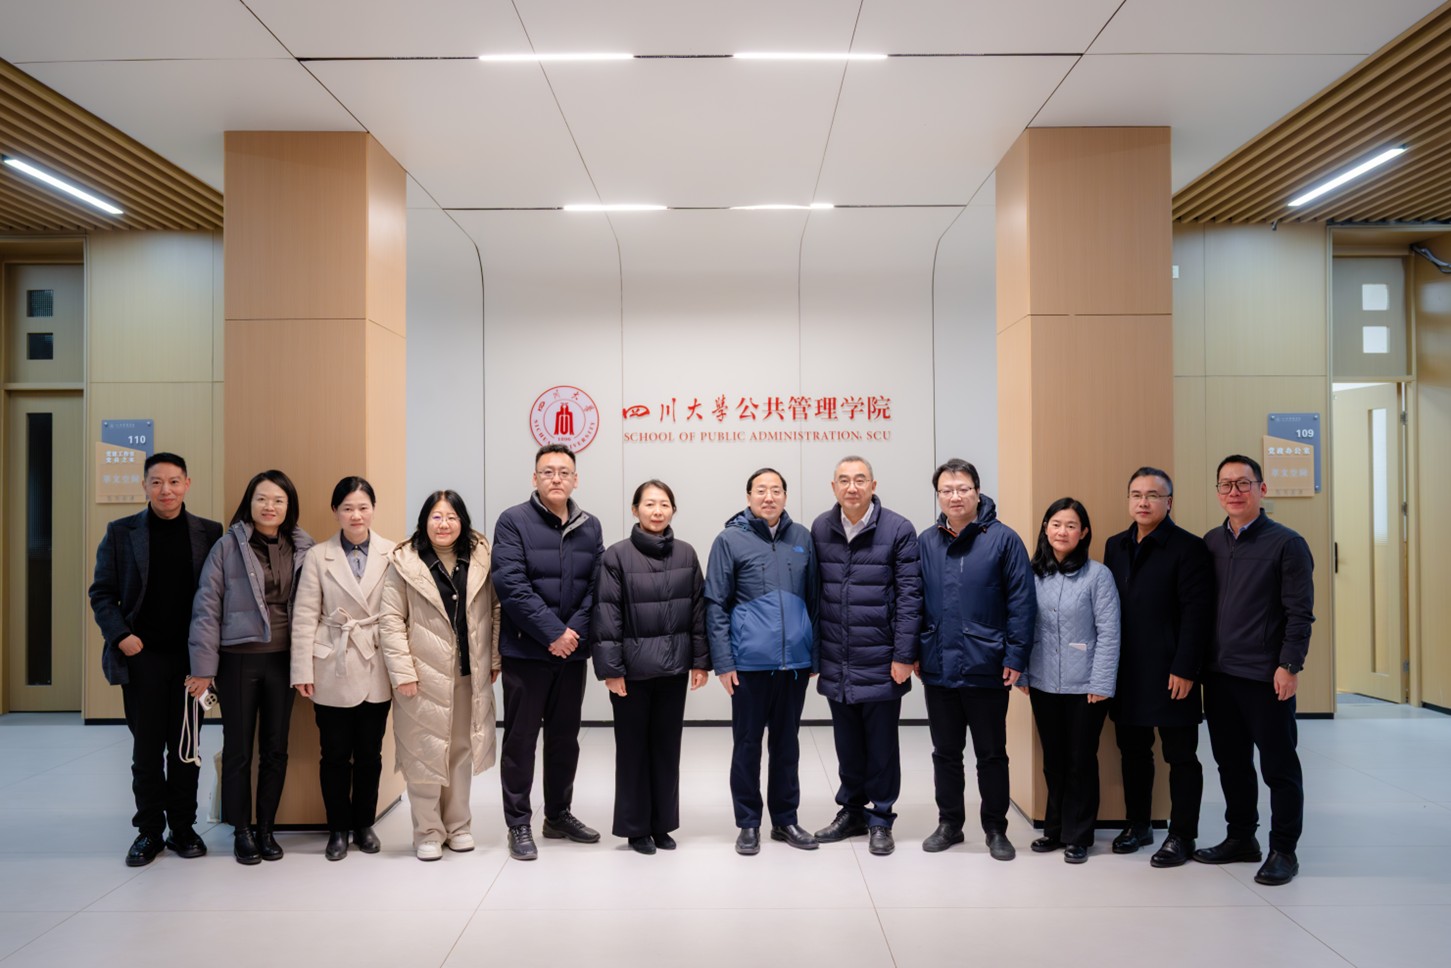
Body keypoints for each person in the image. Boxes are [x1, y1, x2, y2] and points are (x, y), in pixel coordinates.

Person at [88, 452, 223, 867]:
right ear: (144, 485)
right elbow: (101, 593)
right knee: (146, 751)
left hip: (190, 663)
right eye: (157, 482)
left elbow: (218, 597)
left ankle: (182, 827)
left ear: (187, 484)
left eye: (174, 481)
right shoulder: (121, 532)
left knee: (185, 749)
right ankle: (148, 831)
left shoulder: (209, 533)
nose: (166, 490)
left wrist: (209, 661)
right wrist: (121, 636)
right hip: (142, 659)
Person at [1194, 455, 1314, 886]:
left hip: (1265, 676)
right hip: (1219, 675)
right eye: (1225, 485)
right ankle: (1241, 838)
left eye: (1243, 483)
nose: (1234, 492)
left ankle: (1284, 850)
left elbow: (1299, 613)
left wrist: (1289, 665)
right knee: (1231, 764)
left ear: (1261, 489)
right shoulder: (1210, 542)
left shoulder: (1287, 543)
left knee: (1279, 766)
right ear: (1217, 493)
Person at [187, 470, 314, 865]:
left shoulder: (303, 547)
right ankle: (241, 830)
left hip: (284, 660)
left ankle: (266, 830)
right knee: (239, 750)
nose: (269, 506)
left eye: (278, 500)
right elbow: (206, 607)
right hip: (238, 660)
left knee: (276, 749)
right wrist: (204, 668)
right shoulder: (227, 547)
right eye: (262, 499)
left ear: (289, 506)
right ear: (250, 502)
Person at [916, 458, 1035, 861]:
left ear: (978, 492)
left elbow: (1022, 602)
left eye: (963, 488)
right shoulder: (926, 541)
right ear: (938, 496)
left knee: (991, 754)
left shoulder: (1004, 540)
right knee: (945, 753)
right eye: (946, 490)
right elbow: (913, 601)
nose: (955, 496)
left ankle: (996, 829)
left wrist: (1016, 655)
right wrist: (915, 651)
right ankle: (949, 823)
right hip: (938, 665)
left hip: (987, 664)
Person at [492, 444, 605, 861]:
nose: (556, 478)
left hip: (571, 654)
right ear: (534, 478)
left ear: (576, 479)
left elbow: (597, 587)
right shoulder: (513, 521)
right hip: (527, 653)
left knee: (564, 739)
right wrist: (553, 633)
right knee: (520, 741)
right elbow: (511, 585)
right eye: (547, 471)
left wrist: (571, 634)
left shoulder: (590, 526)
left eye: (564, 472)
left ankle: (557, 814)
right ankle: (518, 823)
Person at [1103, 466, 1214, 868]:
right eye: (1136, 495)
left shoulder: (1189, 547)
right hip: (1127, 670)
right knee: (1133, 751)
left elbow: (1198, 614)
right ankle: (1138, 824)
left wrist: (1186, 668)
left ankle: (1182, 834)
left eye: (1153, 495)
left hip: (1172, 671)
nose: (1143, 502)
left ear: (1169, 501)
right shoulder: (1115, 546)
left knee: (1181, 756)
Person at [590, 480, 710, 854]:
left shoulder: (686, 554)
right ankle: (635, 827)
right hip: (632, 673)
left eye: (664, 504)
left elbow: (698, 611)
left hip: (674, 670)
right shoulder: (616, 556)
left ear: (673, 510)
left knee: (666, 749)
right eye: (649, 504)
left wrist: (700, 661)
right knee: (632, 751)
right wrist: (612, 670)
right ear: (635, 509)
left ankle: (662, 825)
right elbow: (606, 615)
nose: (657, 511)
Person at [380, 490, 500, 861]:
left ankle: (459, 826)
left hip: (468, 674)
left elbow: (495, 610)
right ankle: (428, 832)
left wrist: (493, 659)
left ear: (462, 521)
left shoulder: (480, 558)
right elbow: (390, 620)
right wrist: (403, 672)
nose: (443, 524)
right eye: (436, 516)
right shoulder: (404, 562)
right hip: (421, 676)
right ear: (424, 521)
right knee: (424, 753)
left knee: (461, 752)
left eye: (451, 517)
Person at [811, 456, 922, 857]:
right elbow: (814, 595)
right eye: (844, 480)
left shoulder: (898, 529)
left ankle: (882, 818)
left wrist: (904, 654)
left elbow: (910, 596)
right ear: (833, 487)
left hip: (881, 657)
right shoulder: (821, 528)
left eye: (860, 480)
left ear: (873, 485)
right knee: (847, 744)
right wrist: (815, 655)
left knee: (881, 745)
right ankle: (852, 811)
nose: (852, 487)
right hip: (836, 656)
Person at [705, 467, 819, 856]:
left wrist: (812, 653)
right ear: (748, 497)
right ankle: (748, 823)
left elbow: (814, 600)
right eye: (760, 490)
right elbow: (715, 604)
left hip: (794, 666)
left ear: (785, 496)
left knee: (787, 745)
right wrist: (724, 662)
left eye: (776, 490)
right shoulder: (729, 540)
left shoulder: (801, 538)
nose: (768, 497)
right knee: (748, 745)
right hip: (749, 664)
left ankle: (785, 820)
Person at [290, 477, 396, 861]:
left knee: (370, 753)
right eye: (348, 508)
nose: (356, 515)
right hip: (330, 662)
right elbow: (304, 615)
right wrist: (301, 670)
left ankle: (363, 825)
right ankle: (337, 828)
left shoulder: (392, 552)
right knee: (333, 754)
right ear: (335, 511)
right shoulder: (319, 556)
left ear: (373, 510)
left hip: (376, 660)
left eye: (363, 507)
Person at [1019, 498, 1120, 864]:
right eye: (1056, 524)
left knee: (1080, 759)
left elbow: (1109, 632)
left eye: (1071, 525)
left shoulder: (1098, 576)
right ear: (1046, 528)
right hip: (1042, 681)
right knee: (1053, 758)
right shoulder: (1032, 574)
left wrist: (1101, 683)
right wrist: (1023, 673)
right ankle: (1055, 828)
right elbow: (1022, 627)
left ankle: (1079, 835)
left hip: (1086, 686)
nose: (1062, 531)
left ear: (1084, 533)